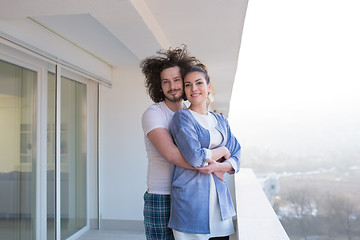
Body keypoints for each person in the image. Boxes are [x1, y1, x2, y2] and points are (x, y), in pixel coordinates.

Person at [168, 65, 241, 240]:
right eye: (188, 84)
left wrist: (219, 166)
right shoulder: (182, 118)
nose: (194, 89)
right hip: (191, 204)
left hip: (219, 203)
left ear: (208, 87)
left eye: (199, 83)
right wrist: (222, 150)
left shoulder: (222, 121)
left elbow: (237, 153)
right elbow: (194, 157)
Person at [140, 46, 201, 240]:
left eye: (176, 80)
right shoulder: (154, 114)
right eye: (166, 82)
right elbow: (171, 154)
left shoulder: (191, 113)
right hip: (161, 196)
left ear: (184, 83)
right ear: (159, 87)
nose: (172, 86)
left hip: (188, 194)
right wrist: (207, 166)